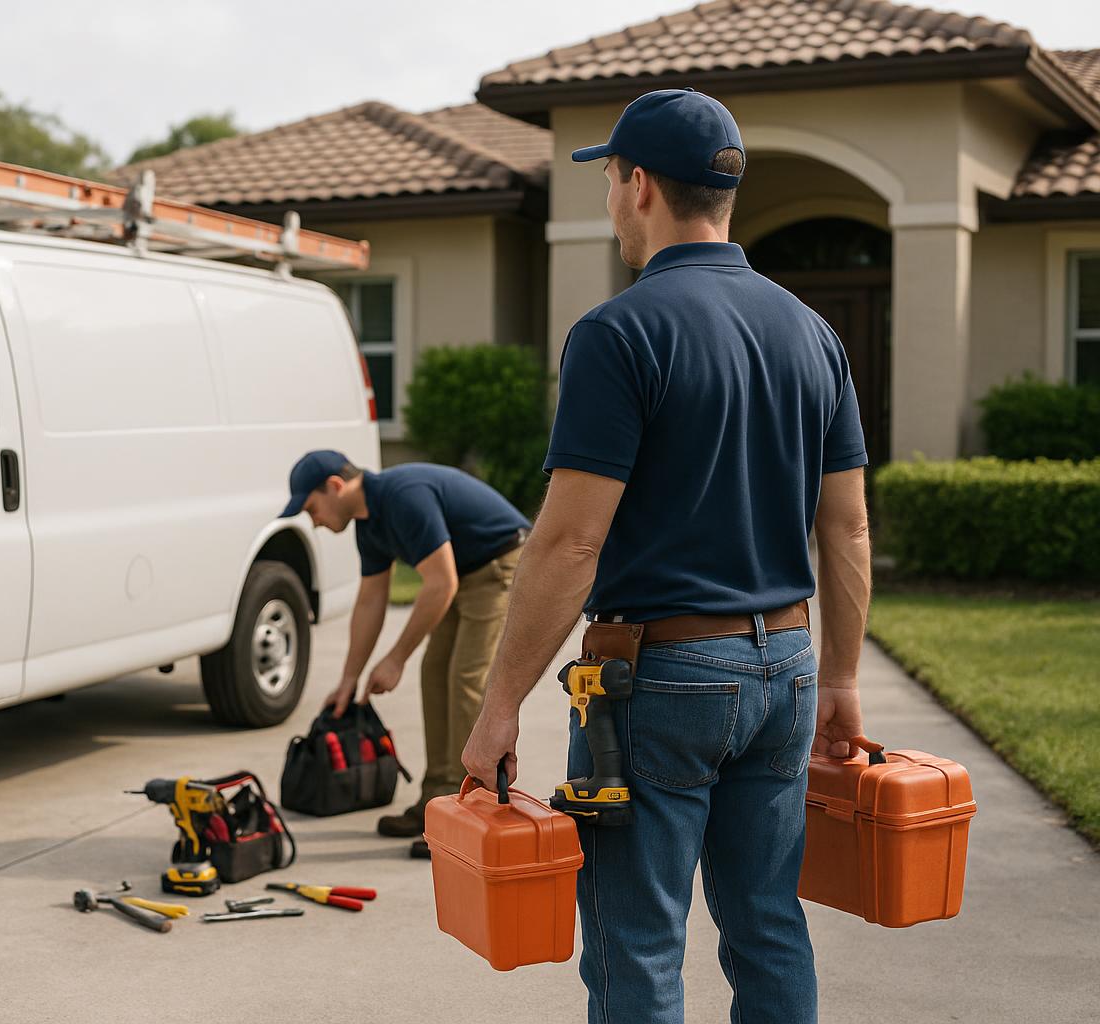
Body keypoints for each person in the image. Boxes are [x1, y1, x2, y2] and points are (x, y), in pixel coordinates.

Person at [459, 89, 872, 1024]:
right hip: (787, 669)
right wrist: (842, 679)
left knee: (636, 944)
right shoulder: (814, 333)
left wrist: (498, 706)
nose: (611, 200)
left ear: (639, 184)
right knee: (769, 924)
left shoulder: (620, 332)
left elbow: (571, 541)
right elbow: (846, 529)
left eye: (610, 179)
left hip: (663, 681)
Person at [278, 450, 531, 856]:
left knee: (466, 677)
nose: (314, 521)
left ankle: (474, 815)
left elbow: (440, 583)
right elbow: (370, 600)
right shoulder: (369, 525)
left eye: (312, 508)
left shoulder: (401, 497)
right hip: (464, 571)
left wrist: (395, 658)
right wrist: (348, 679)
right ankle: (439, 801)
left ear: (336, 486)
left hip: (500, 564)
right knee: (434, 672)